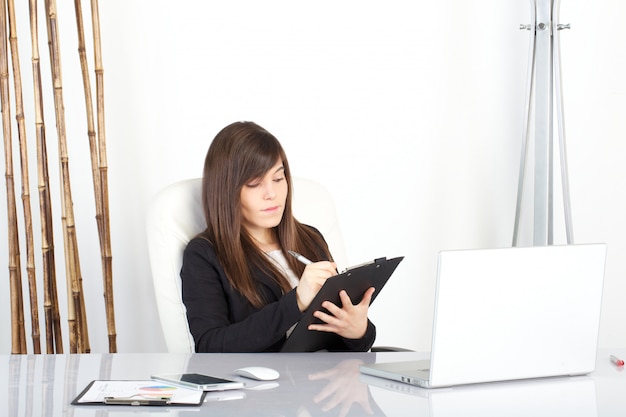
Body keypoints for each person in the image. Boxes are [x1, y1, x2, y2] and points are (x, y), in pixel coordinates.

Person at [181, 121, 376, 352]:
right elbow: (210, 346)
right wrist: (296, 302)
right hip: (268, 384)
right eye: (254, 184)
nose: (271, 194)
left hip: (330, 379)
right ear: (226, 191)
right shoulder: (204, 254)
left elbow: (348, 336)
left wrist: (358, 331)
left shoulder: (309, 238)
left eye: (278, 178)